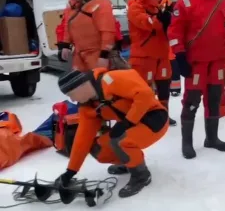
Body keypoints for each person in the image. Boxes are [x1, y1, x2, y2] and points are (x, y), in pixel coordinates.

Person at [54, 68, 169, 198]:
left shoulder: (111, 79)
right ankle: (130, 163)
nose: (73, 100)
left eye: (71, 94)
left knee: (121, 140)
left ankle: (141, 175)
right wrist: (70, 171)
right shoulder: (88, 107)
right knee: (98, 148)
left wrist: (128, 122)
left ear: (81, 86)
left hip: (154, 119)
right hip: (131, 124)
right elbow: (82, 138)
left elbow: (145, 95)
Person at [168, 0, 225, 159]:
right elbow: (174, 31)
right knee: (191, 101)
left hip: (217, 61)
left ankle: (212, 138)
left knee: (215, 99)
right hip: (196, 63)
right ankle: (187, 143)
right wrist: (180, 56)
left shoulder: (223, 2)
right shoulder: (186, 2)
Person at [127, 0, 176, 126]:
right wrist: (161, 19)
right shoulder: (135, 7)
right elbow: (146, 23)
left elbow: (167, 27)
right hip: (144, 55)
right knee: (144, 89)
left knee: (164, 87)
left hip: (161, 54)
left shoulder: (157, 7)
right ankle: (144, 116)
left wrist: (170, 17)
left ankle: (163, 115)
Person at [57, 0, 117, 71]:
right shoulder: (75, 5)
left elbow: (107, 31)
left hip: (96, 54)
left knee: (97, 83)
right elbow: (69, 24)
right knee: (81, 84)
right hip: (79, 54)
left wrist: (104, 55)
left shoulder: (101, 3)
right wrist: (65, 45)